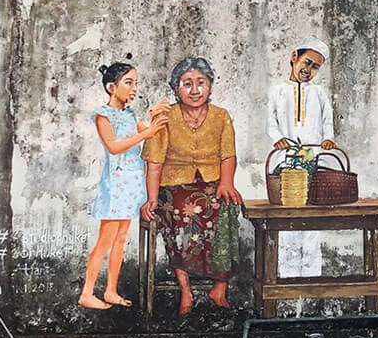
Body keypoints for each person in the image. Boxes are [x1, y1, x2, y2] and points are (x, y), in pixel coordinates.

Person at [141, 56, 243, 316]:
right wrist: (151, 198)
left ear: (210, 86)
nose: (195, 90)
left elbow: (228, 155)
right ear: (176, 88)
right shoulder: (165, 117)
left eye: (201, 83)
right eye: (187, 84)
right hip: (173, 185)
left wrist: (227, 183)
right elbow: (154, 162)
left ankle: (219, 287)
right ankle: (185, 289)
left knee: (228, 207)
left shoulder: (222, 116)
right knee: (181, 212)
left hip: (211, 182)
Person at [80, 59, 169, 310]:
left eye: (135, 83)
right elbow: (114, 147)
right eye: (128, 83)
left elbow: (151, 133)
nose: (133, 88)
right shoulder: (103, 115)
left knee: (120, 239)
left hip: (131, 185)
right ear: (112, 87)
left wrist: (156, 116)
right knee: (105, 241)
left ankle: (110, 290)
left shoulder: (130, 114)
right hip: (115, 185)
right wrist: (146, 133)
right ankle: (87, 292)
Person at [267, 37, 336, 279]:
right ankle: (286, 276)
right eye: (307, 62)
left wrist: (328, 139)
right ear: (294, 57)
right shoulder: (277, 91)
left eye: (316, 67)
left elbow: (328, 120)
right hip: (286, 159)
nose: (309, 70)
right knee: (289, 215)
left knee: (312, 216)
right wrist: (278, 138)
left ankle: (311, 276)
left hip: (313, 157)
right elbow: (271, 122)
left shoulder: (319, 93)